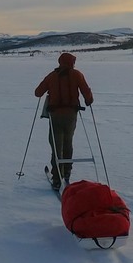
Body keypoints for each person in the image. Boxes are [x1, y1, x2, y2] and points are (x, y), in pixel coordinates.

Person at [34, 52, 94, 191]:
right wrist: (89, 100)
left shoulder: (52, 75)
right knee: (68, 142)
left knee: (56, 146)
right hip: (71, 115)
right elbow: (86, 92)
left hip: (55, 116)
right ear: (72, 62)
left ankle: (57, 178)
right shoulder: (77, 74)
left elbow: (38, 92)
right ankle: (67, 171)